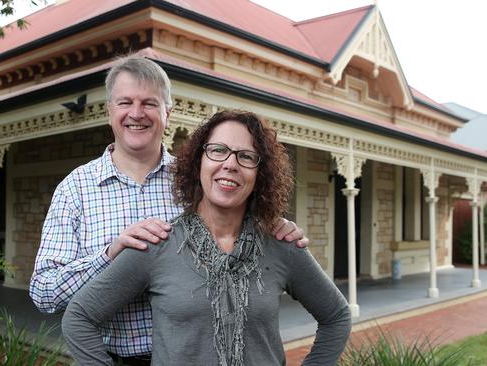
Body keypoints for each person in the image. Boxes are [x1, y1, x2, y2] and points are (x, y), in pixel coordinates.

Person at [30, 55, 308, 363]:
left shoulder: (196, 181)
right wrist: (110, 254)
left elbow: (239, 219)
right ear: (109, 111)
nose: (136, 113)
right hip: (109, 357)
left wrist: (273, 224)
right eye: (125, 103)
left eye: (149, 103)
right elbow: (45, 294)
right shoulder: (76, 189)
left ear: (168, 112)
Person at [62, 110, 351, 365]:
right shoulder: (158, 243)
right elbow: (79, 318)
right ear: (198, 160)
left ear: (260, 174)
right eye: (217, 150)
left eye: (246, 156)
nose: (230, 164)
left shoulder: (280, 244)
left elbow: (336, 316)